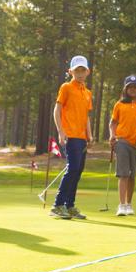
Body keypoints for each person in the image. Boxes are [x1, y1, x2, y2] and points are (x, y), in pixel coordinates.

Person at [51, 55, 93, 220]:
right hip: (70, 135)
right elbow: (57, 110)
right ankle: (58, 205)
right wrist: (61, 131)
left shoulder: (87, 93)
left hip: (82, 137)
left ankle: (70, 205)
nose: (80, 74)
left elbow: (86, 116)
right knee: (72, 169)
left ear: (87, 72)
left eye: (83, 70)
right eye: (77, 71)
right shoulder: (66, 87)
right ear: (71, 72)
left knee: (78, 171)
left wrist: (89, 134)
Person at [109, 75, 136, 216]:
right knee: (124, 173)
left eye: (135, 87)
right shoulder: (120, 104)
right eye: (130, 87)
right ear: (125, 89)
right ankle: (121, 205)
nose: (133, 89)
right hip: (122, 141)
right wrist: (112, 135)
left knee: (132, 175)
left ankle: (128, 204)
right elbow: (113, 123)